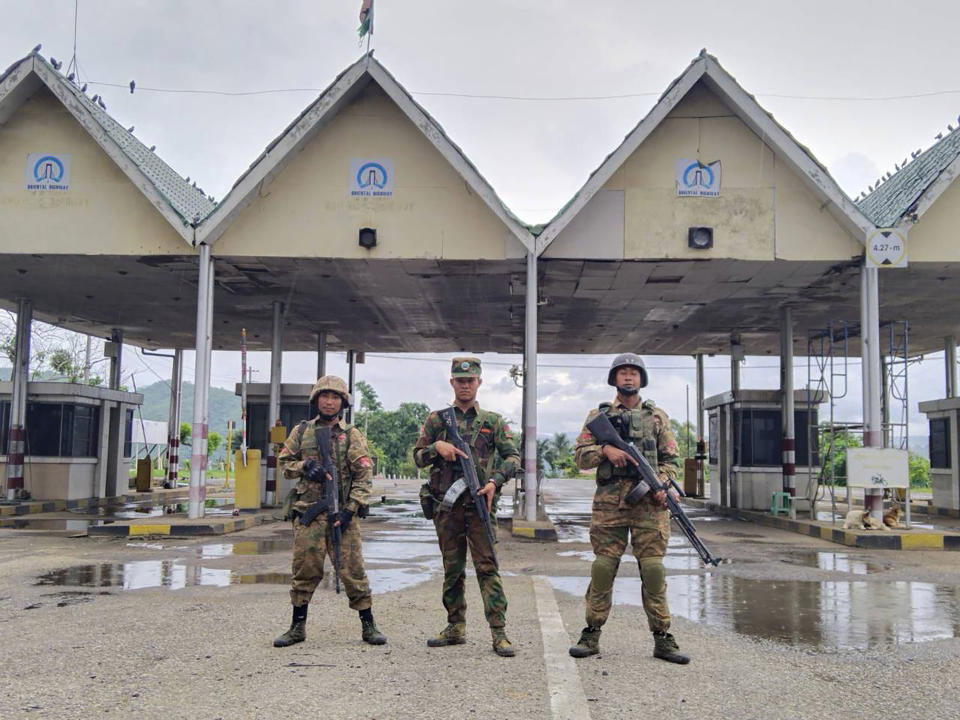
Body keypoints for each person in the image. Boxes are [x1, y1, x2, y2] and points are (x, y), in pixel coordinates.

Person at [568, 353, 689, 664]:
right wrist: (605, 450)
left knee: (652, 569)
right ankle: (591, 631)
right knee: (604, 567)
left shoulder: (657, 417)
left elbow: (672, 462)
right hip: (609, 504)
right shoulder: (600, 416)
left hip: (649, 505)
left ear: (641, 380)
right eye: (622, 372)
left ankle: (662, 637)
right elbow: (580, 456)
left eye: (634, 372)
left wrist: (661, 484)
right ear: (614, 379)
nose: (628, 377)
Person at [414, 357, 521, 657]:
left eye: (470, 380)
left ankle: (499, 633)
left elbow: (513, 458)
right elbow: (417, 456)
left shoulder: (493, 422)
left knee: (488, 568)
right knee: (453, 569)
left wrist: (495, 482)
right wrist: (437, 447)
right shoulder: (437, 420)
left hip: (479, 505)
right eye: (460, 380)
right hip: (447, 507)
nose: (465, 385)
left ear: (479, 383)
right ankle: (455, 627)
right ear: (452, 382)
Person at [272, 375, 387, 648]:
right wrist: (304, 467)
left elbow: (364, 475)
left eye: (335, 397)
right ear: (316, 400)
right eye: (324, 396)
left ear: (342, 403)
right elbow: (284, 462)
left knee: (353, 571)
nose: (329, 401)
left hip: (342, 516)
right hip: (309, 513)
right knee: (305, 569)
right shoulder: (302, 431)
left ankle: (368, 625)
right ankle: (297, 627)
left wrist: (350, 509)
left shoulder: (352, 435)